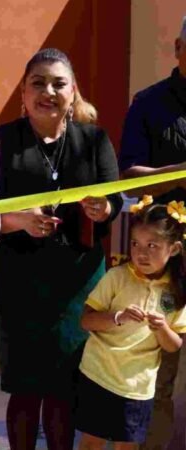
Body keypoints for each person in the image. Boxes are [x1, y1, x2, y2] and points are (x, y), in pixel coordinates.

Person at [0, 48, 122, 450]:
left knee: (66, 388)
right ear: (24, 92)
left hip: (78, 283)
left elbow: (114, 199)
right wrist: (20, 221)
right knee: (25, 388)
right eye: (38, 83)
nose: (48, 91)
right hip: (20, 281)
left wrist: (103, 209)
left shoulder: (94, 139)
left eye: (58, 83)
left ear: (73, 90)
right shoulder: (1, 140)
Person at [118, 16, 186, 450]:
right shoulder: (149, 103)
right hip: (165, 261)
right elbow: (128, 178)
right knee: (159, 372)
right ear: (179, 48)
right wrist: (180, 172)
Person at [76, 199, 186, 449]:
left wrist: (162, 328)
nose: (141, 253)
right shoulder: (116, 277)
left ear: (175, 249)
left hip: (138, 387)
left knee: (127, 445)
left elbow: (173, 345)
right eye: (135, 243)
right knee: (92, 442)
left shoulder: (173, 293)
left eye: (152, 246)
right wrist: (117, 317)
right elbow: (86, 320)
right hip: (99, 374)